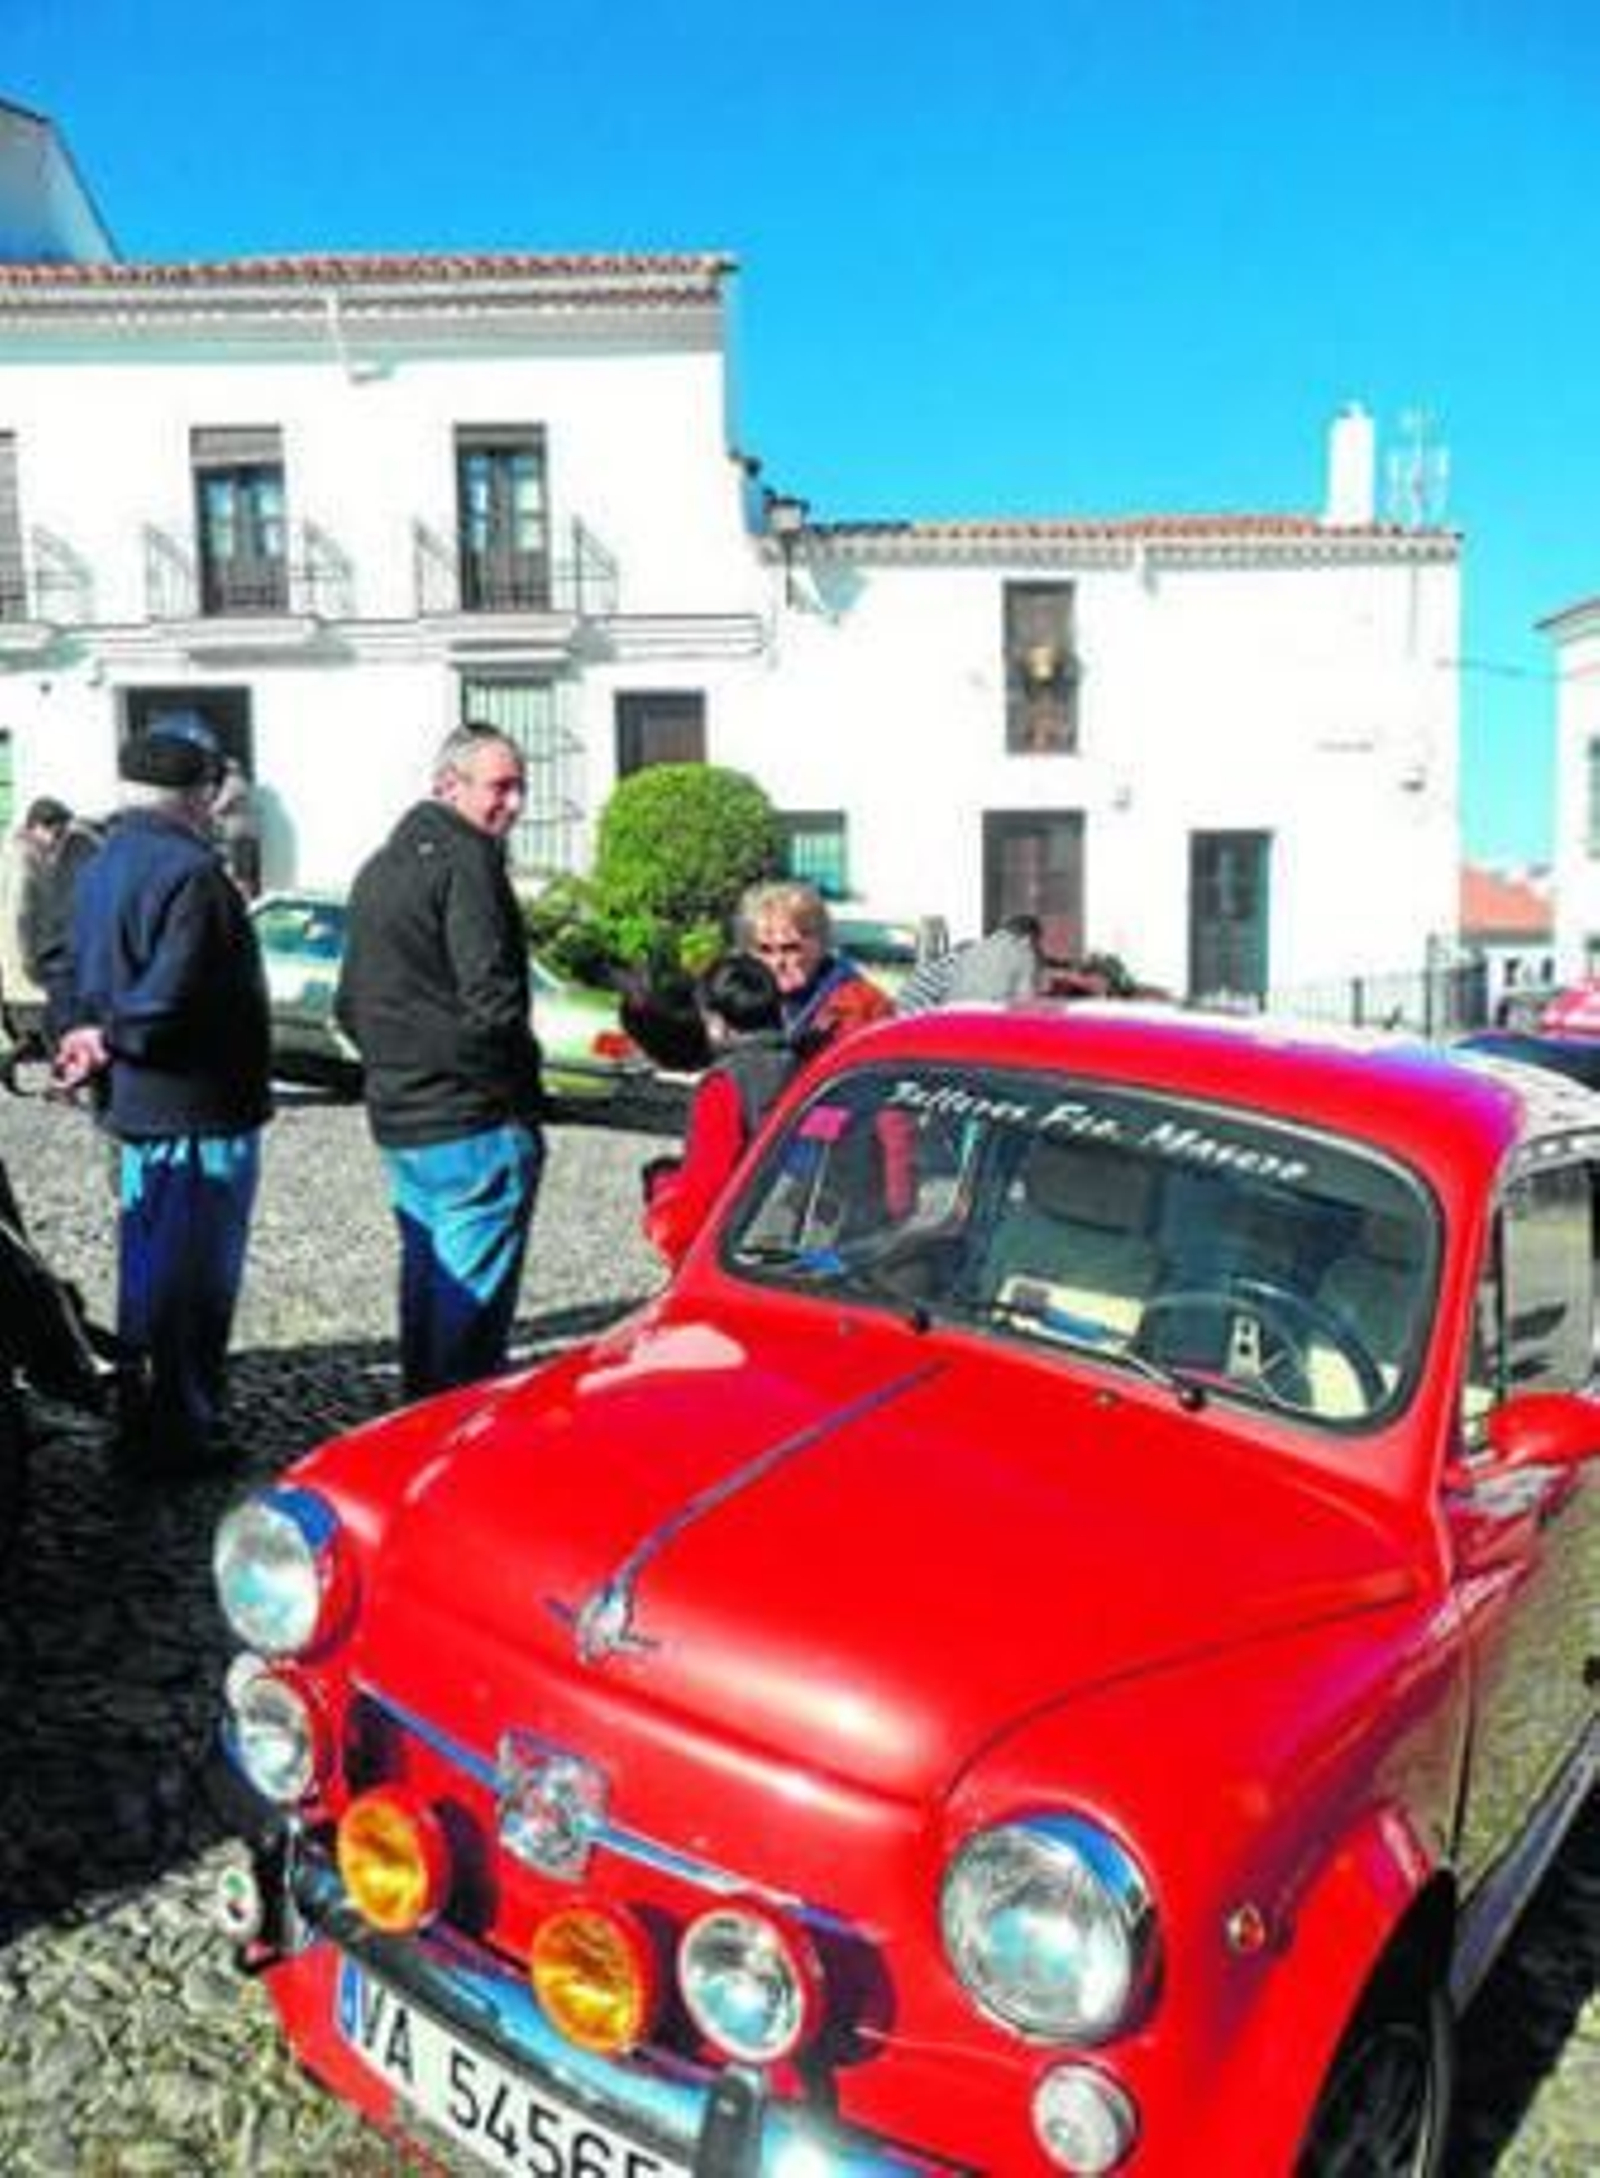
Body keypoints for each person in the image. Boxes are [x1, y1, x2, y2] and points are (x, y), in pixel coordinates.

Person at [52, 731, 272, 1473]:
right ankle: (181, 1430)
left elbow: (66, 968)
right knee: (194, 1284)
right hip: (198, 1106)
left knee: (146, 1277)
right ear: (197, 796)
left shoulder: (96, 863)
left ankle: (144, 1417)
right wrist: (111, 1036)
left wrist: (80, 1035)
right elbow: (176, 996)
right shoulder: (194, 875)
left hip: (134, 1107)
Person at [335, 723, 546, 1401]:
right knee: (468, 1323)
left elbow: (347, 1003)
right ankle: (450, 1455)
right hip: (470, 1122)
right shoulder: (468, 862)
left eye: (520, 788)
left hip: (402, 1116)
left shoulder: (380, 866)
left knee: (428, 1289)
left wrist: (398, 1071)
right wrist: (507, 1098)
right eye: (501, 787)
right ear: (447, 785)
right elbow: (494, 1004)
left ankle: (415, 1433)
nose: (513, 804)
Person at [642, 953, 801, 1264]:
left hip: (737, 1253)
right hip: (796, 1239)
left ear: (715, 1022)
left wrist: (661, 1209)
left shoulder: (725, 1083)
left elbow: (705, 1189)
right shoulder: (806, 1065)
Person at [737, 879, 894, 1053]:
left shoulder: (863, 1005)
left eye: (790, 948)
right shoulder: (736, 998)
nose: (777, 962)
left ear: (820, 944)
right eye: (765, 950)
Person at [0, 795, 72, 1054]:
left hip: (26, 955)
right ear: (35, 827)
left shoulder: (21, 852)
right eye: (55, 832)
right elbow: (20, 916)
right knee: (48, 1023)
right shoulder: (25, 862)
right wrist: (29, 961)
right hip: (26, 957)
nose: (59, 840)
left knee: (38, 1027)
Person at [896, 913, 1045, 1013]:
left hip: (905, 1009)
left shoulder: (976, 949)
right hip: (917, 1015)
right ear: (1027, 939)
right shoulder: (1013, 951)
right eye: (1036, 944)